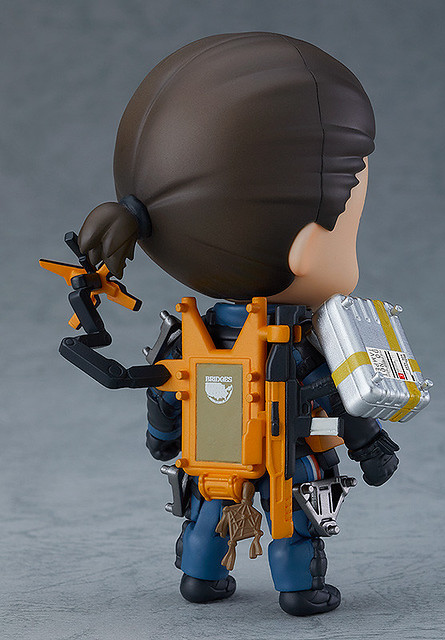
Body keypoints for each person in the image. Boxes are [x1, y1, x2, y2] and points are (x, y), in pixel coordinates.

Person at [77, 32, 399, 616]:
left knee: (207, 507)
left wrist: (160, 439)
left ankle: (199, 577)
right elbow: (340, 394)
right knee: (293, 516)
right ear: (306, 249)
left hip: (211, 456)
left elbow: (164, 392)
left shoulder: (190, 332)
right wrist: (371, 446)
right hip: (285, 456)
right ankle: (299, 589)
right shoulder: (298, 341)